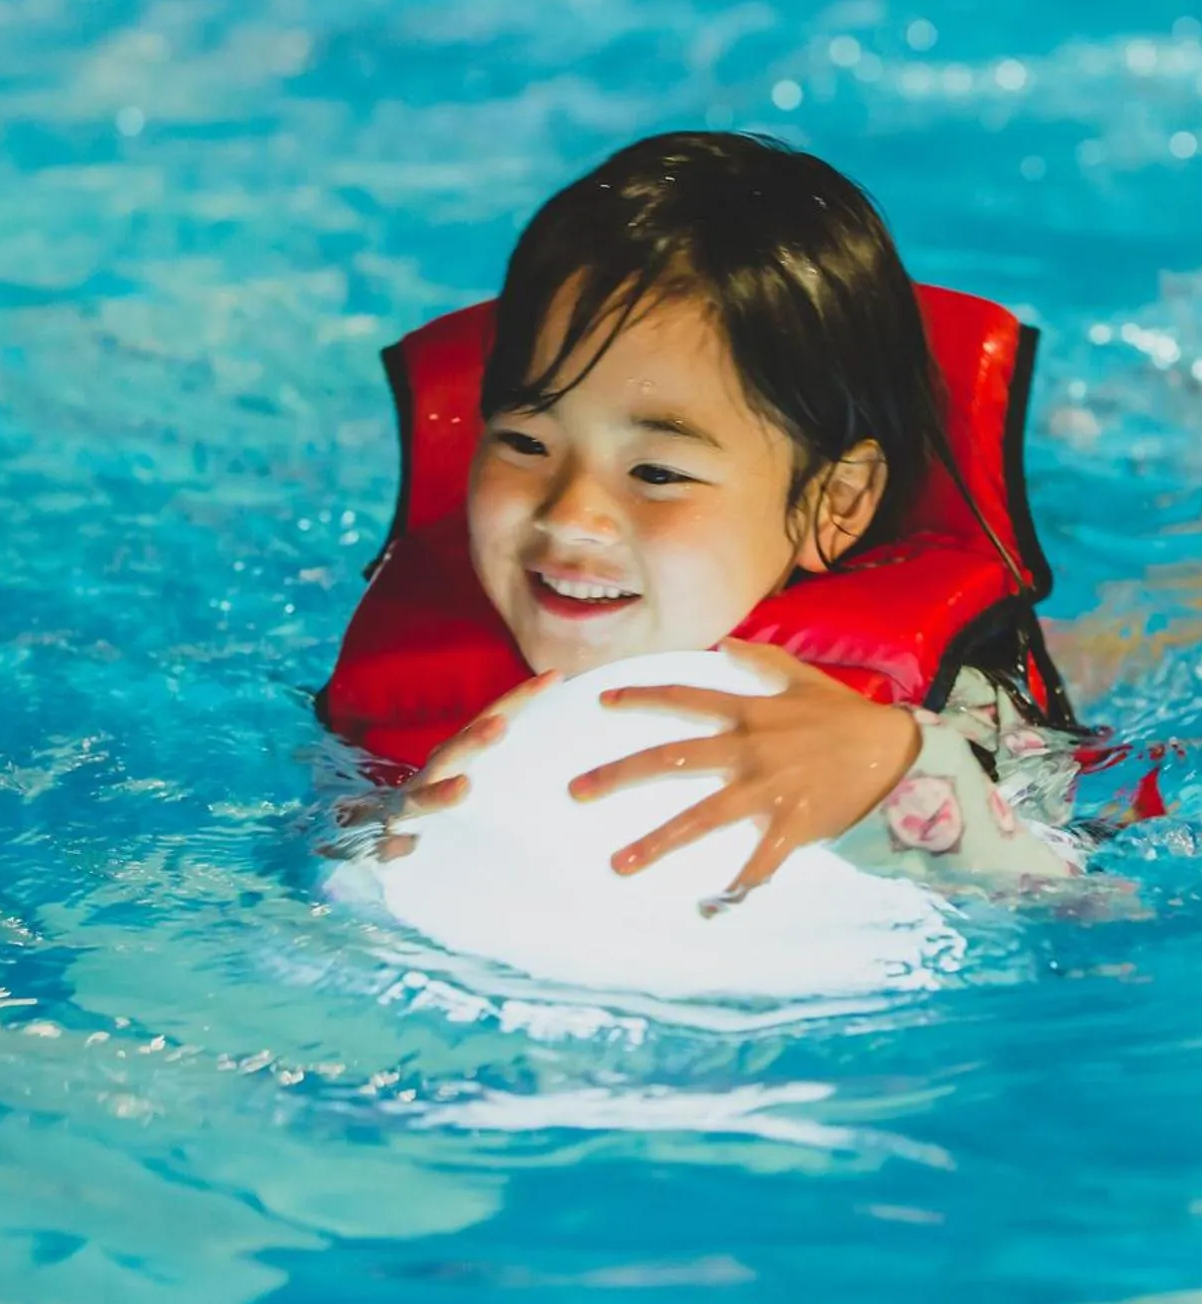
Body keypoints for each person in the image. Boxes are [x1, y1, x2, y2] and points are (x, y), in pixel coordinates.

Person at [321, 131, 1134, 911]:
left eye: (657, 473)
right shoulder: (397, 694)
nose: (570, 517)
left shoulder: (957, 707)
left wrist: (893, 772)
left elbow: (1087, 911)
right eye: (527, 443)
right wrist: (382, 855)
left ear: (835, 502)